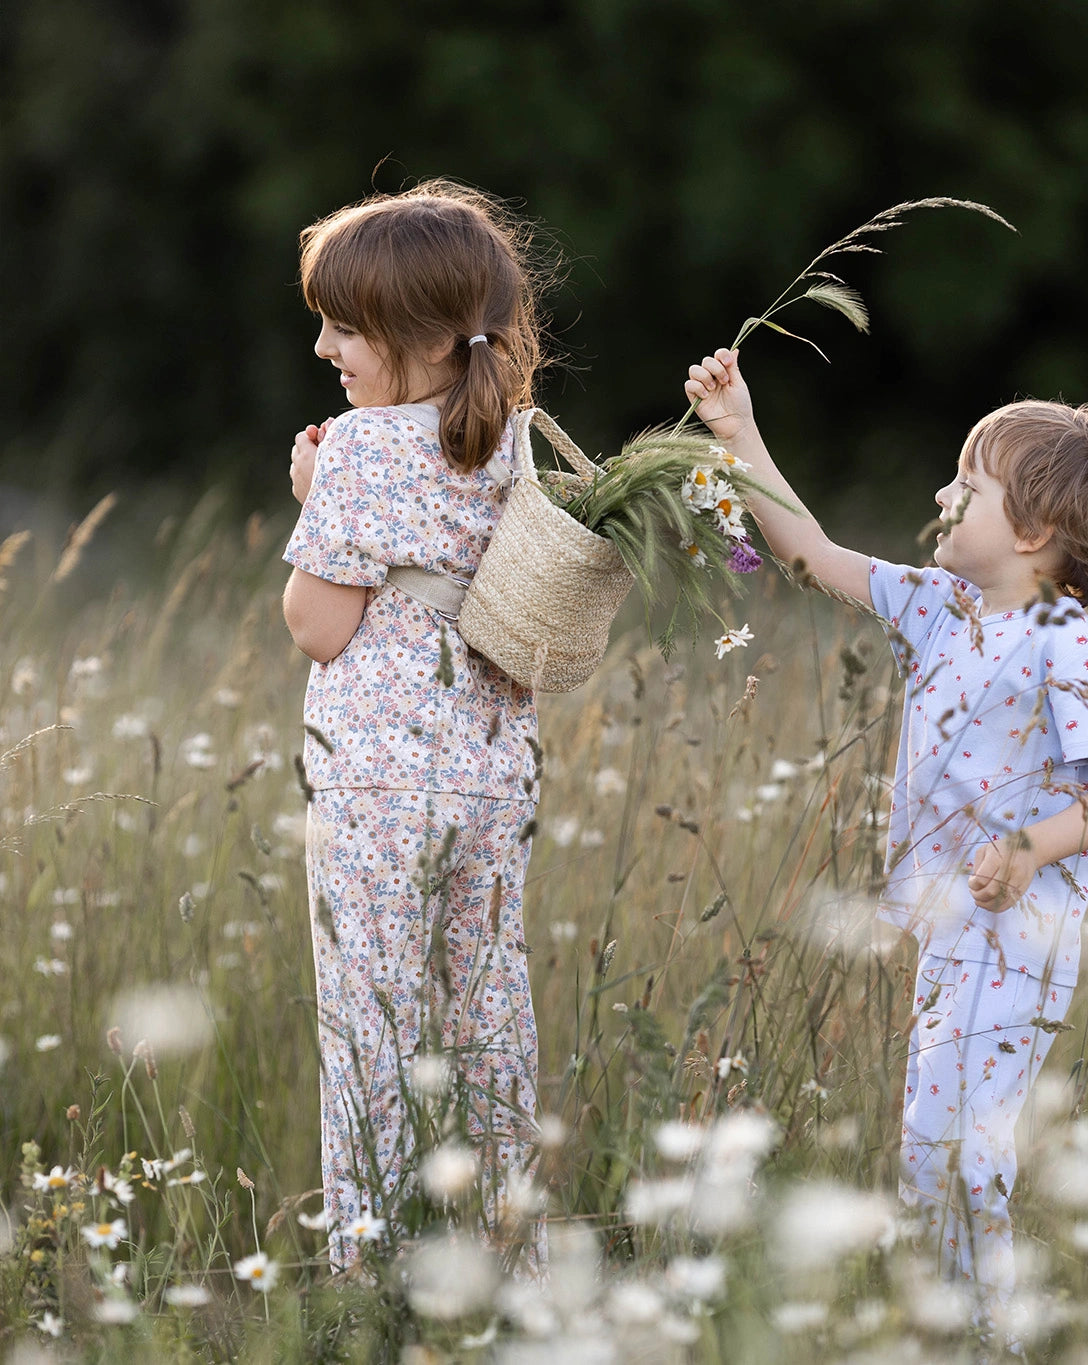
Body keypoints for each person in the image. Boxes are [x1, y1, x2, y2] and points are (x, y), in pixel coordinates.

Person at [685, 347, 1088, 1313]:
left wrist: (1031, 847)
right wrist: (737, 430)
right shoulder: (941, 607)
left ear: (1033, 530)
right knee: (931, 1132)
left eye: (965, 483)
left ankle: (979, 1327)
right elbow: (811, 553)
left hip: (1013, 934)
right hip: (946, 924)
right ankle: (953, 1313)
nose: (941, 494)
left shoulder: (1061, 639)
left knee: (955, 1141)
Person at [282, 181, 546, 1272]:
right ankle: (518, 1253)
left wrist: (312, 498)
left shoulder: (356, 449)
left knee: (373, 1024)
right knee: (490, 1012)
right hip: (495, 771)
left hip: (378, 784)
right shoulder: (520, 445)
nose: (325, 348)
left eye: (347, 326)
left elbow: (319, 626)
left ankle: (365, 1269)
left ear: (426, 336)